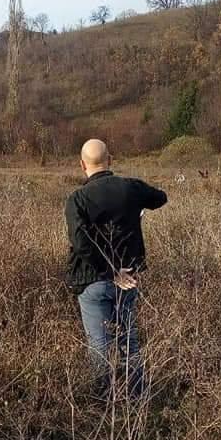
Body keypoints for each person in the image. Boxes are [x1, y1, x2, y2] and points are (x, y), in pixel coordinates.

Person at [65, 139, 167, 396]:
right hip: (127, 277)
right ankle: (135, 396)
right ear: (110, 160)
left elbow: (80, 244)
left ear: (81, 165)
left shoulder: (77, 199)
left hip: (92, 280)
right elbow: (160, 198)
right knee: (128, 341)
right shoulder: (130, 188)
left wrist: (108, 271)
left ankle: (103, 400)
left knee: (99, 344)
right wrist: (134, 201)